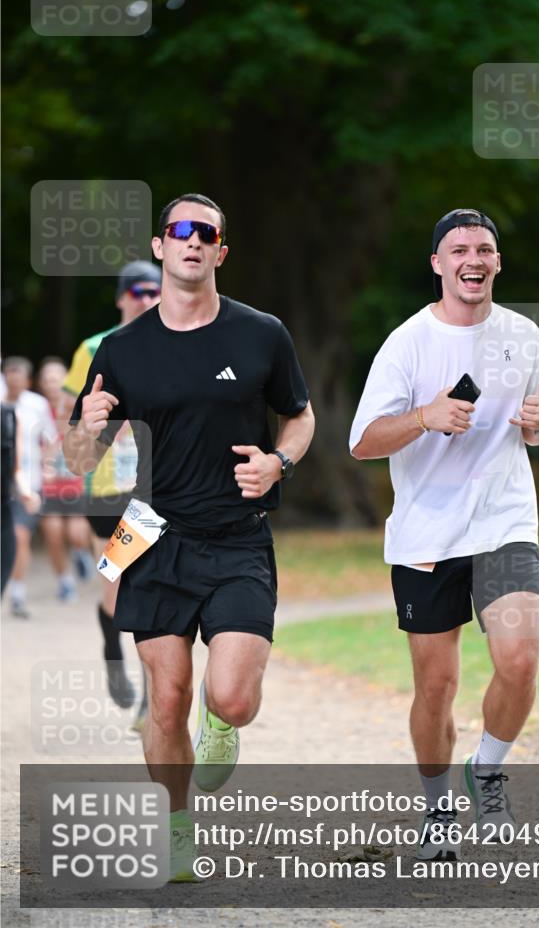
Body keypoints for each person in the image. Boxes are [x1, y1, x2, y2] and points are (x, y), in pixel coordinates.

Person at [63, 192, 315, 881]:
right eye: (180, 231)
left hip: (238, 535)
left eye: (206, 233)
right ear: (160, 246)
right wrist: (85, 425)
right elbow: (80, 463)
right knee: (166, 694)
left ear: (220, 252)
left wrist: (279, 461)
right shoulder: (119, 351)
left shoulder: (261, 333)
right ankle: (176, 831)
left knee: (230, 696)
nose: (192, 241)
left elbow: (299, 416)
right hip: (152, 531)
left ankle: (224, 723)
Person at [350, 208, 539, 860]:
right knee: (434, 686)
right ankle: (438, 804)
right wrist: (424, 415)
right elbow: (360, 441)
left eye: (484, 249)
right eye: (459, 249)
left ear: (496, 262)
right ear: (437, 263)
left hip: (503, 522)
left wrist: (538, 424)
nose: (473, 259)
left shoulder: (522, 335)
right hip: (424, 535)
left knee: (520, 658)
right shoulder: (407, 343)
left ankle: (488, 769)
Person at [62, 261, 163, 717]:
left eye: (154, 291)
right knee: (116, 587)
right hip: (106, 487)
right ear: (122, 297)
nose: (146, 299)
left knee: (150, 588)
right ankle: (111, 650)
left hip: (155, 487)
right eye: (138, 291)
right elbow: (71, 414)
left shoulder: (174, 343)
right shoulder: (93, 348)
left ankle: (150, 696)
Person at [2, 356, 58, 617]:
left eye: (17, 377)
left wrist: (47, 468)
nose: (12, 382)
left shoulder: (36, 406)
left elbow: (50, 440)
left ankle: (17, 594)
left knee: (20, 536)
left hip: (26, 481)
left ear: (26, 380)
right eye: (8, 376)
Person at [37, 357, 94, 595]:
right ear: (41, 383)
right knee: (53, 534)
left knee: (76, 534)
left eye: (56, 378)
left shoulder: (77, 406)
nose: (52, 384)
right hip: (47, 484)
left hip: (75, 482)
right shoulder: (36, 408)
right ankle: (64, 580)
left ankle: (81, 554)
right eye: (47, 379)